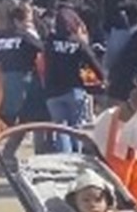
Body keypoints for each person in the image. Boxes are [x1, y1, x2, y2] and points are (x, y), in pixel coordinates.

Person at [42, 8, 105, 152]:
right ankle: (78, 159)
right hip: (74, 89)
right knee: (76, 128)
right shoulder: (77, 43)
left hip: (52, 91)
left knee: (61, 129)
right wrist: (104, 78)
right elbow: (92, 61)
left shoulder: (49, 42)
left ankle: (66, 159)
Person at [0, 3, 46, 131]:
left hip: (4, 77)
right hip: (23, 77)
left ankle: (11, 136)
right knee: (22, 112)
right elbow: (42, 48)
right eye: (27, 21)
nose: (29, 24)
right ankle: (13, 135)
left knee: (10, 111)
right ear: (17, 21)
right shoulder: (25, 36)